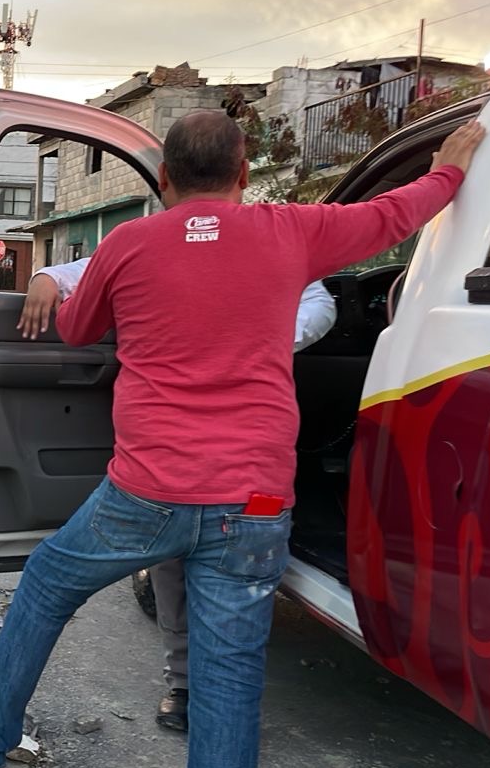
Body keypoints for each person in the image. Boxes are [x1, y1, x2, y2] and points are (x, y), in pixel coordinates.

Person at [0, 111, 485, 768]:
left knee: (46, 585)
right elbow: (391, 215)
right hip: (252, 501)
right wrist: (450, 167)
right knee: (229, 683)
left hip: (146, 494)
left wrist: (75, 291)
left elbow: (77, 329)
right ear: (244, 174)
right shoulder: (292, 229)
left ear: (163, 180)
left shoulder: (129, 242)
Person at [20, 256, 337, 733]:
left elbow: (318, 302)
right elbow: (93, 269)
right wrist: (48, 277)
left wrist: (256, 336)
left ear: (165, 178)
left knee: (226, 599)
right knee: (174, 575)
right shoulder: (157, 243)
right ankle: (188, 688)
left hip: (241, 469)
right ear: (242, 177)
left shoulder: (271, 244)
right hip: (172, 471)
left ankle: (213, 705)